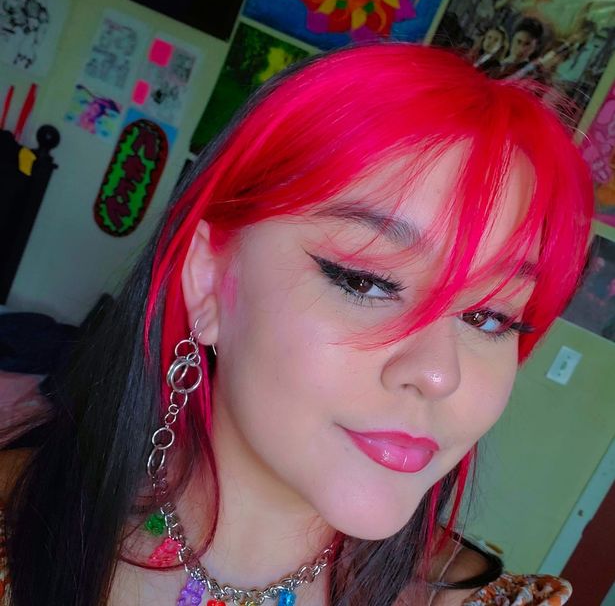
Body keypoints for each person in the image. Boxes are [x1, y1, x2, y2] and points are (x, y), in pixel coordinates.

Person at [0, 43, 593, 605]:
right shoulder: (19, 527)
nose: (440, 374)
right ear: (207, 280)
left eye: (488, 317)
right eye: (366, 281)